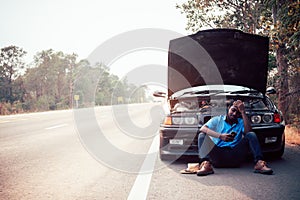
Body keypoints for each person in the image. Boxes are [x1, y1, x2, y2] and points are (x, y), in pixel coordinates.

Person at [197, 100, 273, 176]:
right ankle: (205, 165)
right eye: (233, 110)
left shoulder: (241, 121)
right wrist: (220, 136)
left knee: (251, 134)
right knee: (202, 136)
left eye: (238, 113)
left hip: (235, 155)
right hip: (218, 156)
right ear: (228, 108)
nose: (234, 114)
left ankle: (259, 164)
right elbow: (203, 128)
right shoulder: (217, 119)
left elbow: (248, 131)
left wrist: (243, 112)